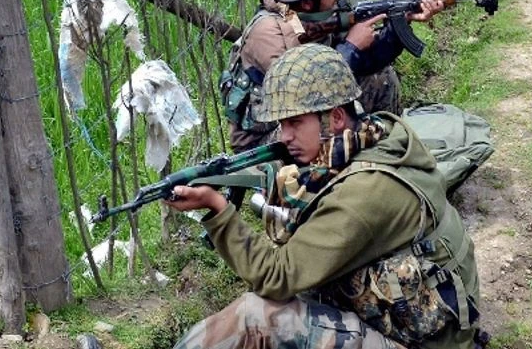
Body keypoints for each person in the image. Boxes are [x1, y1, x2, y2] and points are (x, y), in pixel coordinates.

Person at [168, 44, 486, 349]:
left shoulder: (366, 191)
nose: (285, 135)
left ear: (334, 118)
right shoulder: (378, 137)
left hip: (423, 343)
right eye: (281, 124)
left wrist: (217, 208)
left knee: (255, 318)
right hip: (427, 328)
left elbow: (276, 275)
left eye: (295, 122)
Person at [221, 0, 444, 153]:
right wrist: (350, 48)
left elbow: (365, 64)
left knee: (381, 79)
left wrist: (396, 27)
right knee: (330, 122)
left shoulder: (299, 17)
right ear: (308, 3)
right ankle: (333, 179)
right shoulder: (268, 32)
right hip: (268, 138)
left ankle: (385, 152)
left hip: (305, 115)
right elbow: (307, 95)